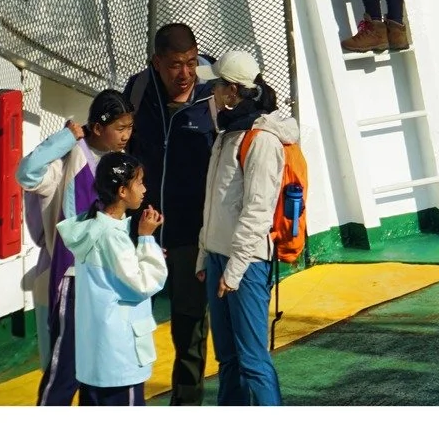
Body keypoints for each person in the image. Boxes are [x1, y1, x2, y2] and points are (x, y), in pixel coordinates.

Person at [19, 89, 137, 406]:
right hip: (73, 280)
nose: (126, 135)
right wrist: (63, 139)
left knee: (99, 373)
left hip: (107, 282)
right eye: (120, 128)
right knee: (65, 371)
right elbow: (27, 173)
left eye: (129, 127)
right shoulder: (69, 160)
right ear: (98, 128)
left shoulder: (119, 163)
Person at [197, 50, 301, 408]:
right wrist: (204, 254)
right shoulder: (227, 134)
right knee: (228, 359)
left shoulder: (262, 141)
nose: (211, 91)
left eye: (216, 85)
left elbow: (257, 210)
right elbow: (215, 201)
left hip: (246, 264)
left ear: (232, 92)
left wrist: (235, 268)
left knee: (253, 360)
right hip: (217, 258)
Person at [127, 24, 217, 405]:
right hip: (143, 227)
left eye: (191, 63)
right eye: (175, 65)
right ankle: (126, 397)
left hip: (189, 230)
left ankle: (186, 402)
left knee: (189, 323)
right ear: (156, 63)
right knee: (130, 318)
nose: (185, 74)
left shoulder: (215, 91)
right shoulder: (139, 90)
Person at [58, 151, 169, 407]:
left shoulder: (92, 228)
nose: (144, 188)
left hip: (95, 359)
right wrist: (146, 239)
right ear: (122, 191)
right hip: (120, 359)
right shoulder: (113, 237)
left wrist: (142, 248)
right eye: (139, 182)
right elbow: (142, 285)